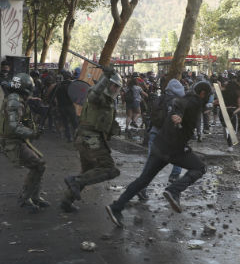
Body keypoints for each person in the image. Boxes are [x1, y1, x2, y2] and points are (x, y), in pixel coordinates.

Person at [105, 82, 212, 227]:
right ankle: (174, 190)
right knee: (200, 168)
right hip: (174, 149)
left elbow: (183, 105)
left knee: (143, 180)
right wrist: (177, 115)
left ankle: (116, 207)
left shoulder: (192, 100)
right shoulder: (192, 101)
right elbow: (180, 104)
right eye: (209, 96)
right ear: (203, 94)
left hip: (160, 145)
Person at [61, 66, 122, 213]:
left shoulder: (107, 100)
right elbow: (94, 95)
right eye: (114, 85)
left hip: (87, 138)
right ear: (108, 84)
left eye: (117, 87)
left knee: (87, 171)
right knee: (110, 169)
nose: (116, 89)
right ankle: (74, 181)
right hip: (90, 139)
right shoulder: (97, 94)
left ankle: (66, 201)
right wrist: (106, 77)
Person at [0, 73, 48, 211]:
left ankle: (34, 196)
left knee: (39, 165)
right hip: (11, 142)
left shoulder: (17, 99)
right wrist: (33, 133)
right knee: (38, 165)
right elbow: (14, 127)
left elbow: (24, 121)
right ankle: (25, 199)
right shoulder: (15, 101)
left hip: (17, 140)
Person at [136, 78, 185, 200]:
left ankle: (142, 189)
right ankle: (174, 178)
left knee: (150, 164)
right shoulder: (178, 102)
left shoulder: (160, 98)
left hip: (154, 133)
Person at [55, 70, 78, 142]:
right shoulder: (72, 85)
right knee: (74, 123)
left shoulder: (59, 85)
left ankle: (69, 138)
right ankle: (76, 138)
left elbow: (56, 97)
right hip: (70, 106)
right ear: (69, 76)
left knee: (65, 123)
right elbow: (75, 97)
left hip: (61, 107)